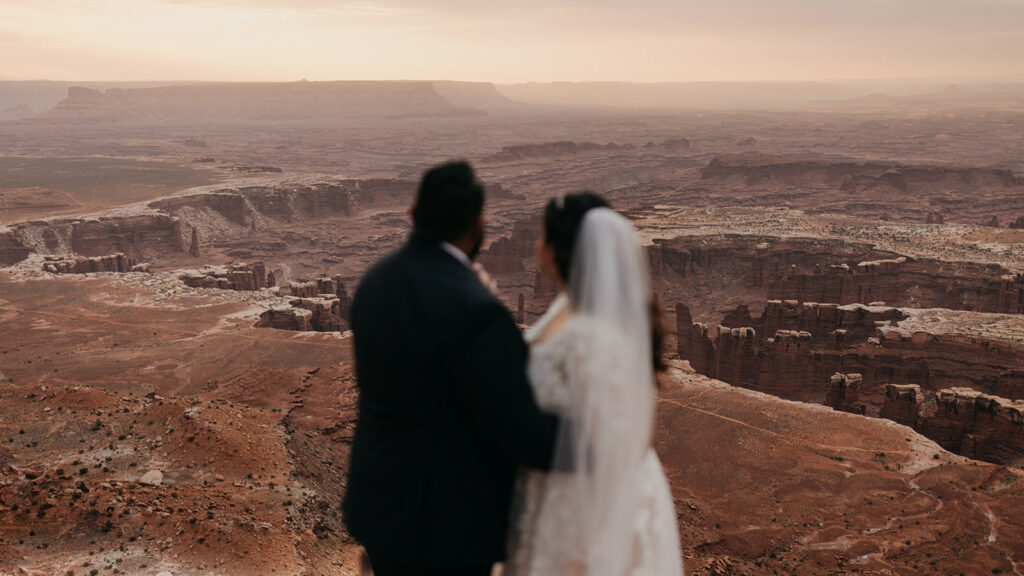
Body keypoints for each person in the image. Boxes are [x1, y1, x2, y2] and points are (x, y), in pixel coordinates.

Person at [343, 161, 562, 576]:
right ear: (478, 225)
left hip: (380, 510)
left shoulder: (374, 283)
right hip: (448, 528)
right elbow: (516, 427)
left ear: (413, 215)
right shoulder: (476, 309)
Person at [506, 193, 684, 576]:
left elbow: (613, 440)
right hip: (556, 495)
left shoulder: (594, 337)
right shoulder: (566, 312)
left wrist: (586, 550)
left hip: (592, 506)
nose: (535, 246)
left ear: (557, 251)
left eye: (541, 237)